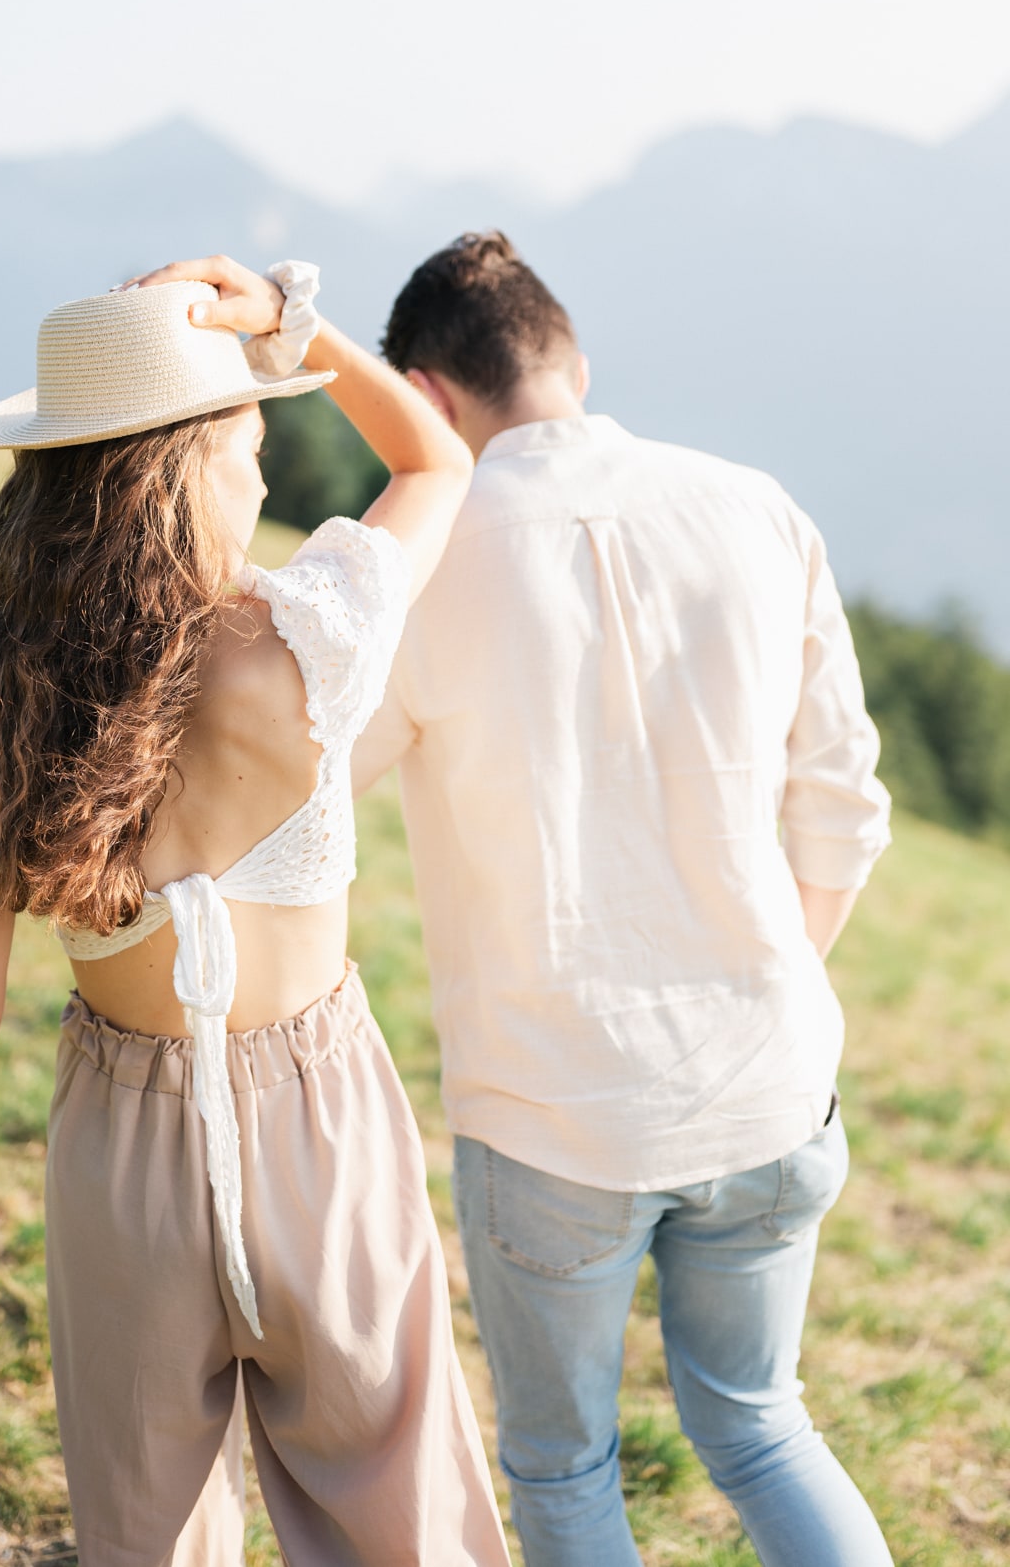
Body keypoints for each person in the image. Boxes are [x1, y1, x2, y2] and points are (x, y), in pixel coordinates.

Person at [0, 255, 512, 1567]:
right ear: (194, 466)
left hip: (124, 1161)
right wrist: (284, 325)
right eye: (251, 441)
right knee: (406, 1518)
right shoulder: (306, 636)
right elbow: (438, 464)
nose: (262, 476)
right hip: (324, 1129)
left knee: (144, 1537)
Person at [352, 231, 896, 1567]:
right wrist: (770, 973)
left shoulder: (414, 563)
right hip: (770, 1074)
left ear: (422, 397)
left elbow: (305, 782)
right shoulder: (759, 508)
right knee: (765, 1425)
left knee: (563, 1465)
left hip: (555, 1112)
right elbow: (844, 807)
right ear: (575, 362)